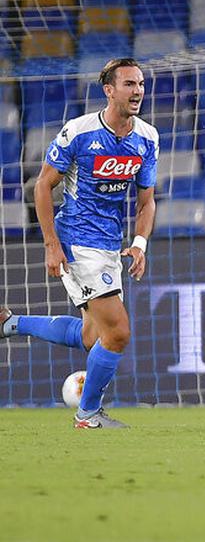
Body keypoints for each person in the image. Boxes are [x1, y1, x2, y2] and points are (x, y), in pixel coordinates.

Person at [0, 58, 158, 428]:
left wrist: (140, 243)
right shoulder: (79, 132)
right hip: (76, 241)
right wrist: (51, 243)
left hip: (109, 244)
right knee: (117, 332)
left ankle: (10, 323)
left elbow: (146, 199)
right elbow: (42, 185)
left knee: (92, 337)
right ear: (109, 89)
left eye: (141, 84)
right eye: (129, 84)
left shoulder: (147, 138)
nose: (137, 91)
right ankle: (87, 413)